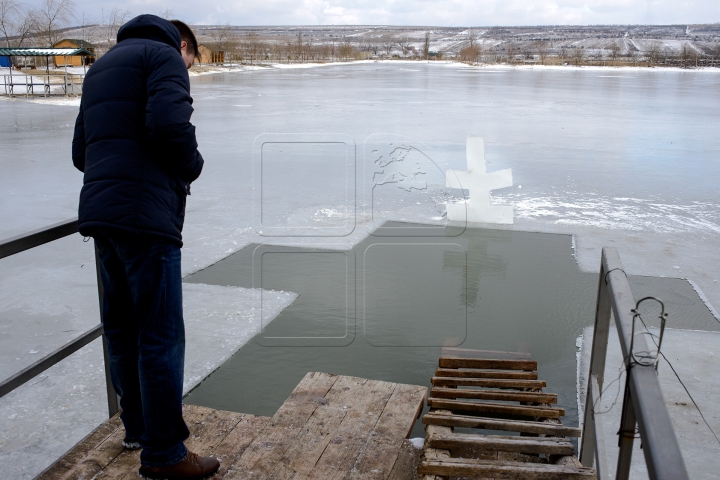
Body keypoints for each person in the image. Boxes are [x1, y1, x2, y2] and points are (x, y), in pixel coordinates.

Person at [71, 14, 219, 480]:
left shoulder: (102, 66)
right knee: (159, 335)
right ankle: (165, 455)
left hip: (103, 214)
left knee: (122, 329)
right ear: (183, 46)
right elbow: (171, 126)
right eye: (190, 62)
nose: (188, 69)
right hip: (145, 217)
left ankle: (139, 428)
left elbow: (81, 151)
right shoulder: (164, 57)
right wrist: (192, 166)